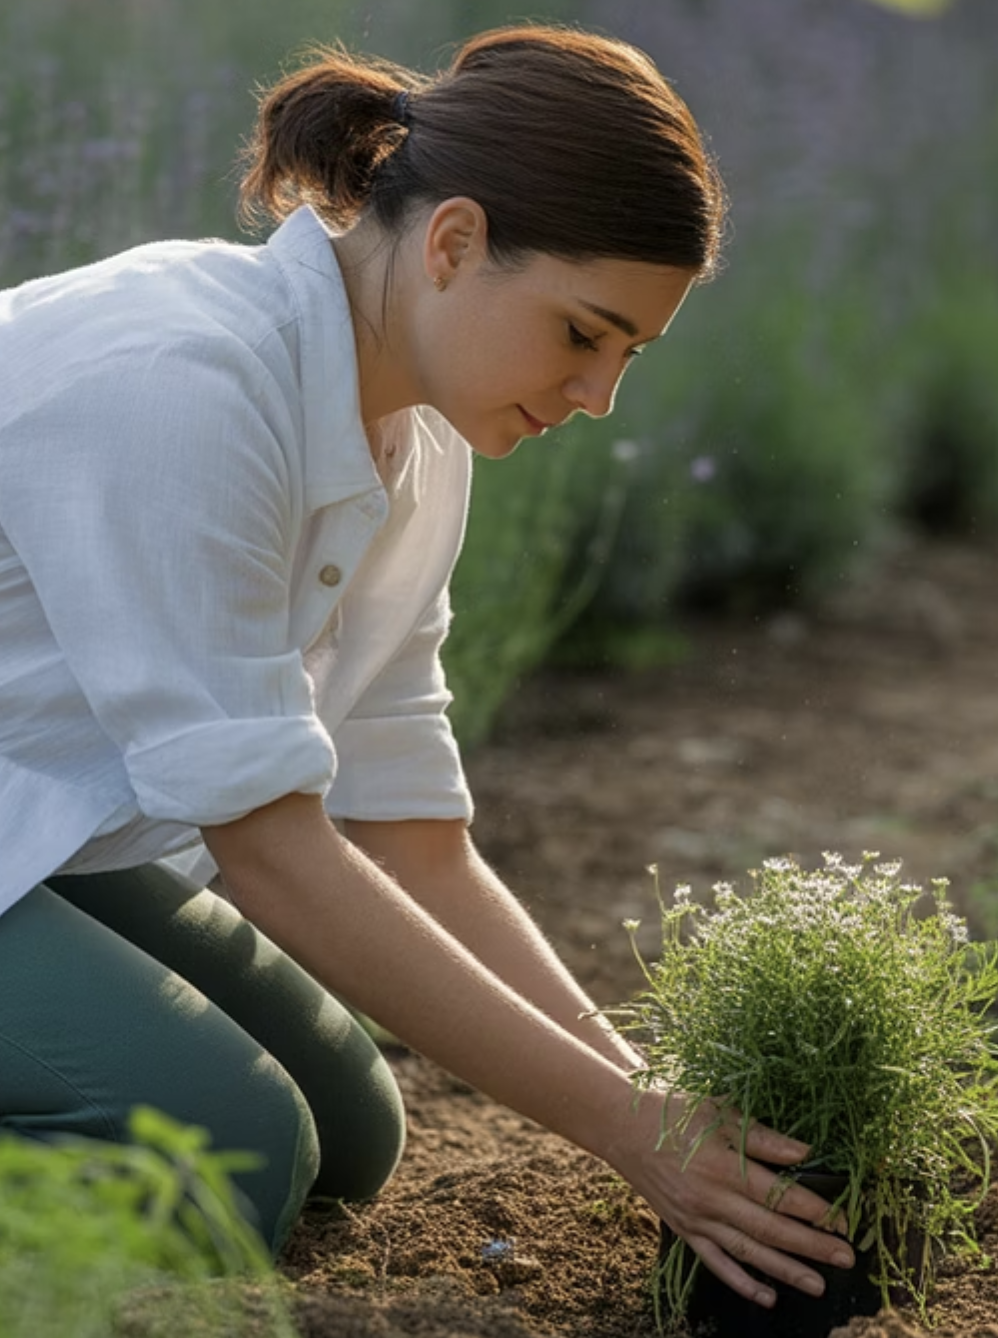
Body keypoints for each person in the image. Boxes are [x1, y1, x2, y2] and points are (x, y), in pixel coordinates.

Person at [0, 23, 854, 1310]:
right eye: (582, 332)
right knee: (222, 1158)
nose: (597, 395)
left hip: (33, 823)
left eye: (630, 353)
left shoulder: (416, 448)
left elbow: (410, 829)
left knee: (351, 1129)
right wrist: (630, 1136)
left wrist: (644, 1106)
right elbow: (273, 848)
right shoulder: (186, 380)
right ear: (452, 243)